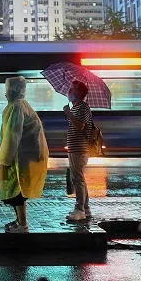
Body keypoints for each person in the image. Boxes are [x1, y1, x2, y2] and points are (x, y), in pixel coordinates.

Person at [0, 76, 49, 233]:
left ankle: (23, 225)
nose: (5, 94)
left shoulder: (17, 107)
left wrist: (4, 158)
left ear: (12, 90)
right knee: (16, 188)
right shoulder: (22, 105)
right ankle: (19, 221)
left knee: (17, 189)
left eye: (7, 90)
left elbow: (13, 135)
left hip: (20, 156)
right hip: (24, 154)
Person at [63, 80, 93, 222]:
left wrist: (69, 114)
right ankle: (85, 207)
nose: (69, 91)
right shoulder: (76, 107)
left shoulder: (83, 107)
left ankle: (79, 209)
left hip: (80, 149)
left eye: (73, 89)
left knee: (77, 179)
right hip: (75, 148)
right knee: (79, 178)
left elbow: (80, 126)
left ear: (80, 93)